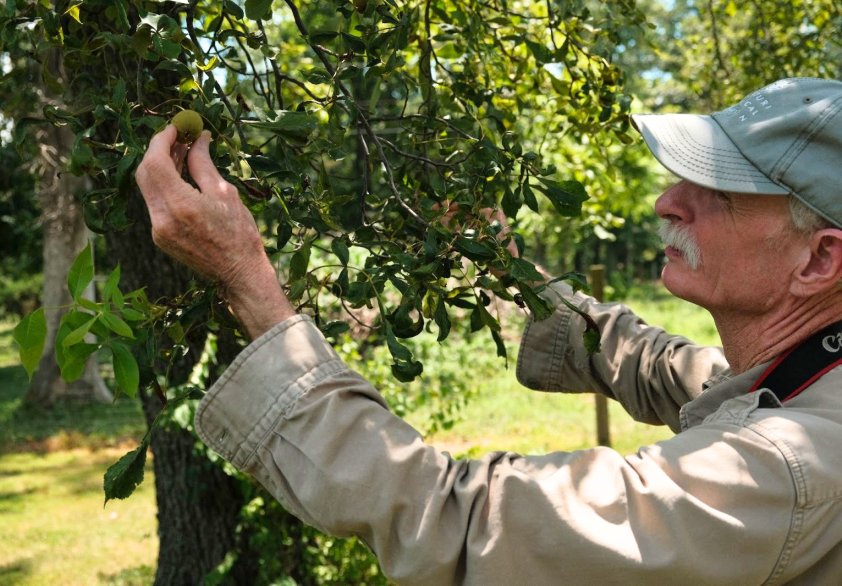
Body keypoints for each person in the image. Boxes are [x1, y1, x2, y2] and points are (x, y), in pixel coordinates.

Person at [135, 78, 842, 585]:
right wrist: (504, 269)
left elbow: (466, 526)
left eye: (717, 193)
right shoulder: (805, 377)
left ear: (820, 258)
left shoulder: (788, 465)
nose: (667, 202)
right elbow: (653, 362)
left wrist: (249, 278)